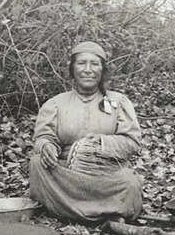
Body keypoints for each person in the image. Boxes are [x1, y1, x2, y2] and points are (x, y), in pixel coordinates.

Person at [29, 41, 142, 223]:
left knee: (130, 184)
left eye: (94, 64)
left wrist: (100, 144)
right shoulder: (55, 103)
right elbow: (43, 137)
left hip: (106, 173)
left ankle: (64, 209)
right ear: (72, 69)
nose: (87, 69)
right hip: (66, 174)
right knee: (36, 164)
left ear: (102, 70)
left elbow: (132, 141)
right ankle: (105, 213)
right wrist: (46, 147)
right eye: (81, 63)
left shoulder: (118, 102)